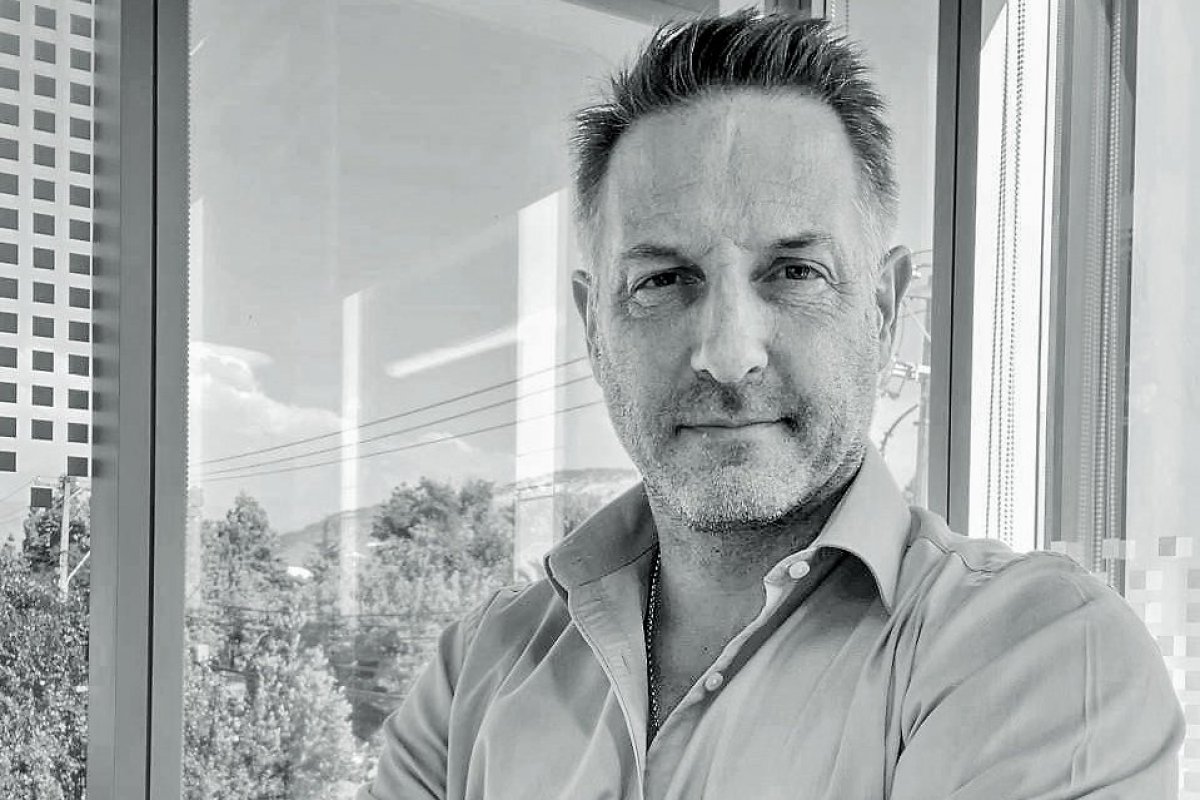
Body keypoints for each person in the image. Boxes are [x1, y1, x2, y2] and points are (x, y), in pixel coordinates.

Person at [356, 11, 1183, 800]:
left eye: (794, 272)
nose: (728, 354)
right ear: (593, 327)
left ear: (884, 311)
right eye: (662, 280)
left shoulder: (1036, 651)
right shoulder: (477, 671)